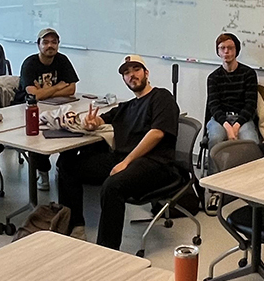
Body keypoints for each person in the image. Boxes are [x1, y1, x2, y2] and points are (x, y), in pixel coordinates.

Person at [56, 55, 179, 249]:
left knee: (112, 186)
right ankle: (75, 225)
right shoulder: (127, 106)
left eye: (136, 70)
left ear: (146, 73)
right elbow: (103, 119)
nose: (132, 76)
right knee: (67, 165)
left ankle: (107, 250)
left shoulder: (161, 97)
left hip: (156, 164)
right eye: (126, 73)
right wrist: (91, 123)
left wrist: (126, 161)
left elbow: (156, 133)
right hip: (125, 160)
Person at [15, 27, 80, 191]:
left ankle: (63, 167)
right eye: (45, 42)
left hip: (56, 107)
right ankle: (42, 172)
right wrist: (58, 87)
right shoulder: (29, 64)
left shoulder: (62, 60)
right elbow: (34, 96)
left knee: (73, 131)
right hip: (27, 109)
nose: (50, 46)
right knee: (36, 137)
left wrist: (44, 91)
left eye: (54, 42)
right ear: (38, 45)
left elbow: (71, 89)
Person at [205, 33, 260, 153]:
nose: (226, 51)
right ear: (218, 52)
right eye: (222, 48)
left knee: (252, 143)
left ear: (236, 50)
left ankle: (252, 172)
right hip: (220, 119)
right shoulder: (213, 77)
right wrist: (226, 126)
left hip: (242, 119)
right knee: (215, 139)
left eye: (230, 48)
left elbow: (250, 104)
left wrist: (236, 125)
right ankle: (215, 172)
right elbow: (214, 106)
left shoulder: (248, 74)